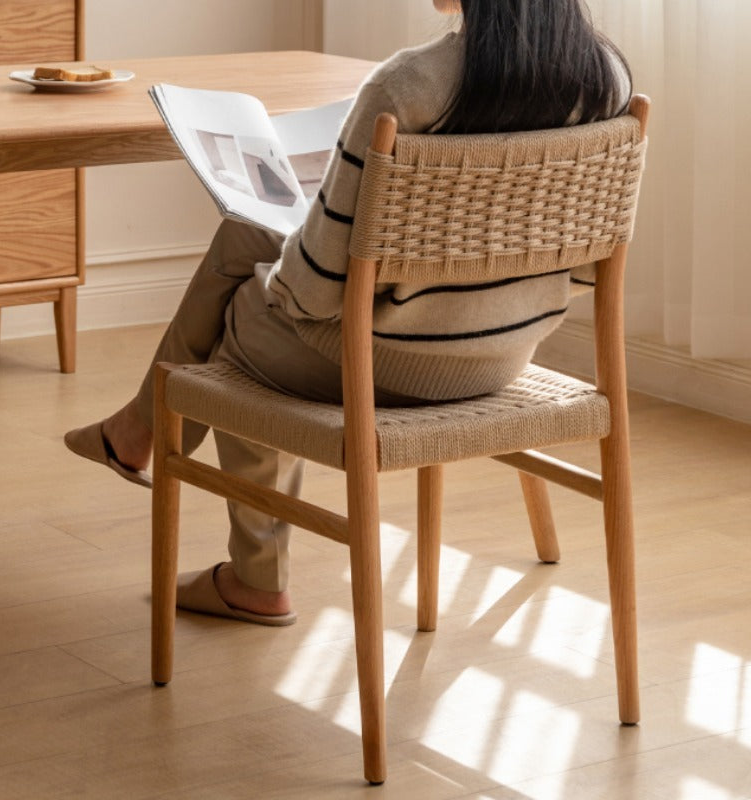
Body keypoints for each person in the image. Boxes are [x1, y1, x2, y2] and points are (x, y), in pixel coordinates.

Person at [65, 0, 632, 625]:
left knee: (239, 320)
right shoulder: (606, 77)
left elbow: (312, 291)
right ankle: (136, 430)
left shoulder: (407, 87)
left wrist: (278, 277)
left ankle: (253, 575)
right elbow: (582, 270)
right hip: (501, 360)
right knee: (245, 237)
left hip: (386, 367)